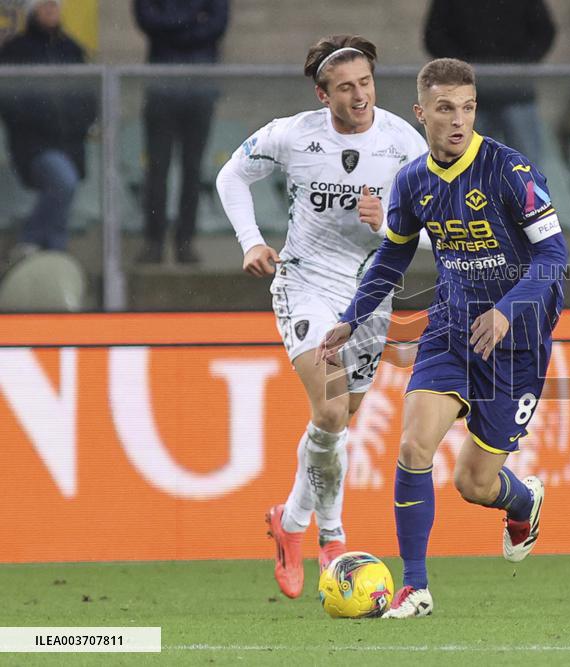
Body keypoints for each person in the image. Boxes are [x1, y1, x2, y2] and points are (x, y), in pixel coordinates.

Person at [322, 57, 568, 619]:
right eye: (444, 109)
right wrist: (352, 315)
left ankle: (523, 499)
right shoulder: (412, 181)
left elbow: (554, 255)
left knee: (474, 483)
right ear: (421, 113)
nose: (458, 120)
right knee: (412, 448)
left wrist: (507, 311)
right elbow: (394, 254)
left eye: (468, 108)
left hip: (517, 342)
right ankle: (416, 587)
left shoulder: (511, 172)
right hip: (452, 328)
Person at [215, 35, 429, 599]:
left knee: (333, 424)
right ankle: (331, 538)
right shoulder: (292, 134)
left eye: (366, 83)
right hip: (305, 282)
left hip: (371, 297)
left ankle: (288, 524)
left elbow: (435, 231)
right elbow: (230, 176)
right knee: (332, 412)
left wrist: (389, 222)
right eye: (345, 88)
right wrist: (251, 241)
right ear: (322, 93)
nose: (360, 96)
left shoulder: (404, 143)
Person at [0, 0, 97, 263]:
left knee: (63, 192)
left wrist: (78, 122)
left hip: (70, 142)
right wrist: (41, 119)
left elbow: (90, 96)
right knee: (63, 182)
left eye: (54, 6)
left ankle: (55, 255)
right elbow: (10, 101)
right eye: (45, 6)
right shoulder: (17, 51)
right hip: (34, 144)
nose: (51, 11)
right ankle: (30, 240)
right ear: (33, 12)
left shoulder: (71, 49)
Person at [133, 0, 229, 264]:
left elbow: (217, 25)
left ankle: (185, 242)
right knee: (157, 169)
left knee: (193, 169)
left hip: (200, 90)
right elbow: (147, 21)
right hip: (161, 91)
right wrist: (192, 18)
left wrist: (172, 24)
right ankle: (154, 241)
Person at [423, 0, 554, 161]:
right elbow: (434, 35)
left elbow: (544, 32)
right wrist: (461, 65)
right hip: (468, 96)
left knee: (525, 165)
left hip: (516, 91)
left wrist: (520, 65)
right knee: (467, 164)